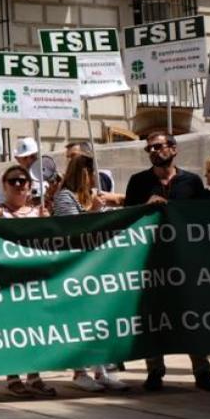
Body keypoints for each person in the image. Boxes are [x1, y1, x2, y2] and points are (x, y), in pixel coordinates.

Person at [124, 131, 210, 393]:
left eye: (158, 146)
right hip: (150, 259)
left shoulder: (191, 181)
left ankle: (202, 371)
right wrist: (145, 206)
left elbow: (201, 219)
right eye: (149, 149)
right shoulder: (138, 182)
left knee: (191, 313)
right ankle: (155, 370)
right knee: (153, 313)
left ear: (173, 149)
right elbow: (127, 218)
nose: (154, 151)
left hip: (183, 259)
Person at [49, 156, 127, 393]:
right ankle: (79, 372)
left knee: (99, 319)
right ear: (83, 173)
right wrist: (93, 211)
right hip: (75, 267)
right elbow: (71, 229)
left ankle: (101, 370)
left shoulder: (92, 196)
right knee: (79, 320)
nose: (95, 176)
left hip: (97, 265)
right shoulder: (64, 197)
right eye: (91, 172)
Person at [0, 165, 56, 398]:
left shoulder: (39, 212)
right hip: (9, 284)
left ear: (30, 185)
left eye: (23, 181)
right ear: (4, 186)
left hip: (35, 283)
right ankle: (13, 376)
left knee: (36, 329)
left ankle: (34, 376)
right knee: (13, 330)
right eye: (13, 181)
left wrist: (48, 224)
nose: (18, 185)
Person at [0, 137, 41, 210]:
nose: (29, 161)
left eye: (32, 157)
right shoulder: (7, 176)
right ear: (17, 159)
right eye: (25, 158)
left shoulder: (45, 173)